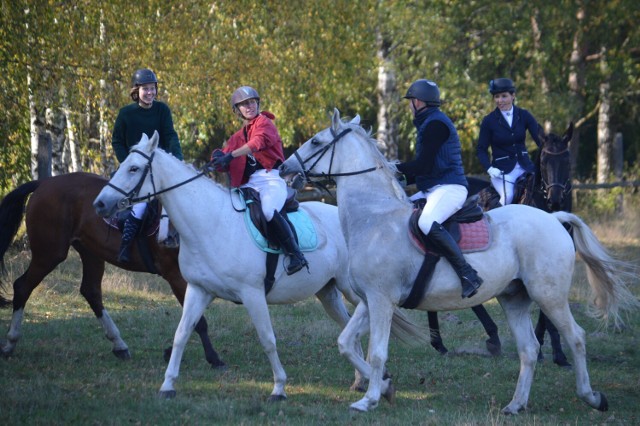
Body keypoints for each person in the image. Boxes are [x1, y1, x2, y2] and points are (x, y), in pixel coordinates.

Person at [396, 79, 482, 298]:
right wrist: (396, 178)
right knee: (399, 210)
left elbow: (422, 165)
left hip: (450, 187)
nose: (409, 106)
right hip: (433, 188)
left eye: (410, 102)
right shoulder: (428, 123)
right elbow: (422, 171)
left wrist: (391, 168)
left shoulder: (436, 125)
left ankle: (468, 274)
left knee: (426, 222)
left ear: (418, 102)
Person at [211, 86, 308, 275]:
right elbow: (224, 161)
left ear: (258, 103)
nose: (249, 107)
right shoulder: (237, 137)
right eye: (243, 104)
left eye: (251, 102)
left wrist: (230, 155)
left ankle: (296, 254)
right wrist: (217, 159)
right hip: (248, 185)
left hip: (271, 179)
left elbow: (257, 143)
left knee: (268, 210)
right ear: (237, 110)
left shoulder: (265, 123)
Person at [111, 68, 183, 263]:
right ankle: (125, 246)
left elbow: (170, 135)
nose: (150, 93)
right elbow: (117, 140)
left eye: (153, 89)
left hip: (159, 168)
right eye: (146, 89)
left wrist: (177, 158)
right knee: (141, 204)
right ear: (136, 91)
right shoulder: (126, 113)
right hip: (135, 170)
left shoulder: (162, 110)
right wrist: (128, 163)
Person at [476, 78, 542, 206]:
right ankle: (498, 222)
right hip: (502, 171)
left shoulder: (524, 115)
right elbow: (481, 150)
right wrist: (489, 169)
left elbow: (540, 139)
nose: (500, 101)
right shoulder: (489, 121)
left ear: (513, 96)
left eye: (504, 96)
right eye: (497, 97)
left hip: (525, 167)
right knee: (508, 195)